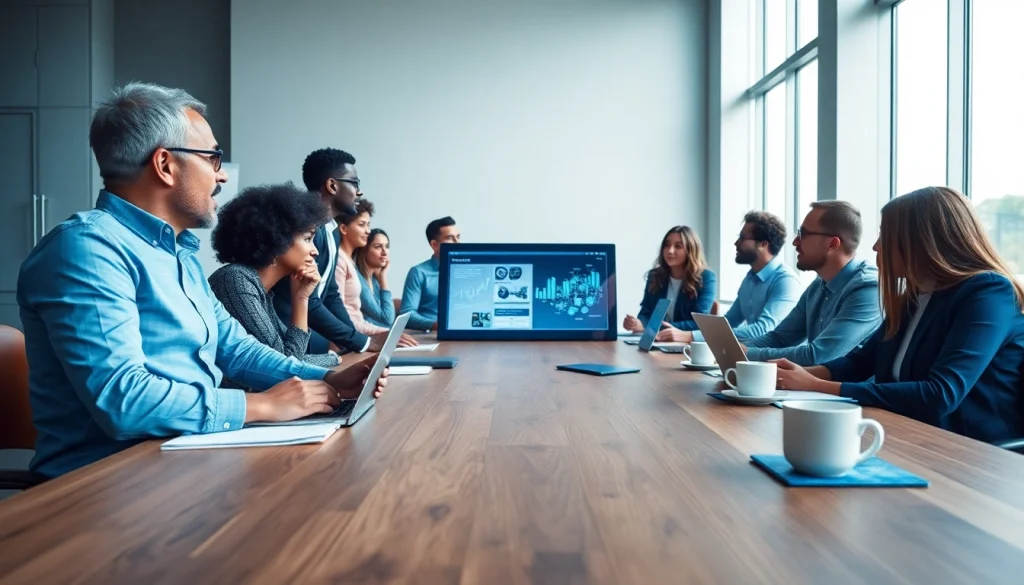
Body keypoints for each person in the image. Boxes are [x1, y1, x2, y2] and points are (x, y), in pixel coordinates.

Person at [17, 82, 385, 478]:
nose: (222, 176)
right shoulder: (87, 250)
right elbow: (123, 401)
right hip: (105, 483)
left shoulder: (181, 254)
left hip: (187, 461)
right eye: (212, 158)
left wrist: (328, 378)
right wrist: (260, 406)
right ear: (164, 165)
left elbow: (236, 350)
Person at [775, 187, 1024, 442]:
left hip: (971, 449)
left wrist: (814, 385)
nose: (874, 247)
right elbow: (859, 363)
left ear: (920, 241)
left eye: (885, 236)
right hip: (908, 432)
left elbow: (940, 395)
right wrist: (791, 374)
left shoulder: (988, 293)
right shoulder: (916, 296)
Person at [208, 182, 340, 375]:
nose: (315, 250)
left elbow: (290, 358)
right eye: (307, 238)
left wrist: (334, 359)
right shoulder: (235, 280)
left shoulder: (261, 291)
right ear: (277, 237)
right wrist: (301, 300)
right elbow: (285, 365)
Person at [272, 148, 387, 354]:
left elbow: (331, 294)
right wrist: (361, 342)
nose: (359, 192)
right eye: (355, 183)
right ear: (332, 185)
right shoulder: (304, 231)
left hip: (307, 338)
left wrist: (358, 341)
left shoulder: (331, 230)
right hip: (283, 340)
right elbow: (309, 298)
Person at [741, 200, 881, 366]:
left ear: (833, 244)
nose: (795, 242)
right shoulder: (818, 285)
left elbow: (818, 355)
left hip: (842, 391)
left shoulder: (868, 288)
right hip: (812, 389)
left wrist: (747, 353)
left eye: (803, 234)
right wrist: (734, 349)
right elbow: (780, 338)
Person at [673, 211, 801, 343]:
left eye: (742, 238)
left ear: (763, 244)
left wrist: (692, 336)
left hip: (781, 361)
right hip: (756, 357)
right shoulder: (750, 278)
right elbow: (729, 322)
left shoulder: (786, 281)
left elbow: (762, 330)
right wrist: (685, 334)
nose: (736, 243)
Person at [334, 200, 416, 345]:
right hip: (349, 343)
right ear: (344, 229)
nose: (367, 231)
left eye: (368, 225)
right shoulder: (340, 261)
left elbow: (356, 318)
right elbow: (342, 316)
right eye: (362, 225)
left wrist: (389, 333)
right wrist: (385, 333)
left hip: (359, 338)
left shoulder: (349, 263)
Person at [622, 226, 717, 338]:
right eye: (667, 245)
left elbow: (699, 323)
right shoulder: (655, 276)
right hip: (657, 342)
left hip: (685, 346)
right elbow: (645, 312)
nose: (670, 251)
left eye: (678, 246)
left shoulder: (706, 278)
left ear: (691, 250)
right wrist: (638, 323)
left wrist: (652, 328)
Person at [401, 216, 460, 331]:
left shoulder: (469, 271)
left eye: (458, 237)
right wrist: (436, 325)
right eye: (450, 238)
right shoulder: (418, 273)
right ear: (434, 245)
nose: (457, 243)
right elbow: (408, 314)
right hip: (431, 334)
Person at [355, 228, 396, 328]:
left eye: (386, 247)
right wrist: (383, 277)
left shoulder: (374, 280)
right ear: (364, 250)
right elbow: (388, 319)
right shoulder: (358, 279)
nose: (385, 252)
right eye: (378, 247)